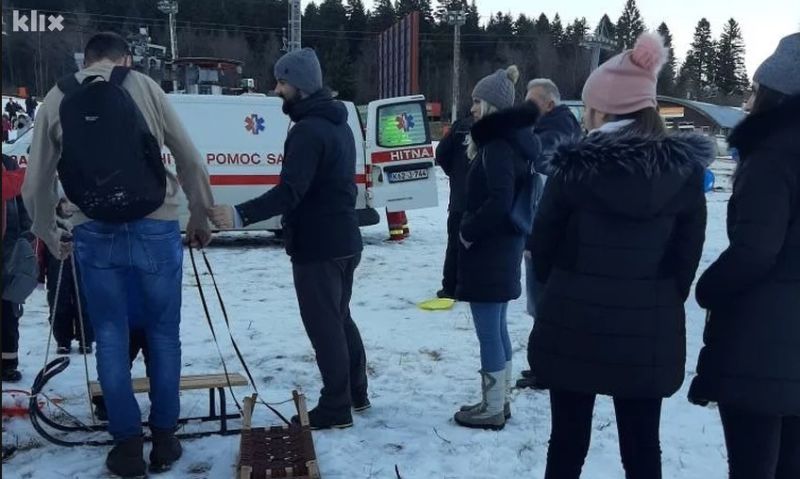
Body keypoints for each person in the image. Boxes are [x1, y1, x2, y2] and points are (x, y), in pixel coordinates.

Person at [22, 32, 214, 478]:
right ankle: (165, 439)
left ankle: (127, 446)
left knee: (109, 335)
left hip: (94, 231)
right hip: (156, 224)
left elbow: (35, 185)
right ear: (124, 57)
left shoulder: (57, 97)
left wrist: (51, 236)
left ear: (84, 60)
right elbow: (190, 158)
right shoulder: (144, 86)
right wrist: (200, 218)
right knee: (164, 335)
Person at [529, 32, 713, 479]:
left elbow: (543, 244)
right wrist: (658, 294)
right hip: (647, 327)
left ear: (600, 108)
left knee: (567, 442)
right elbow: (686, 256)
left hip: (574, 323)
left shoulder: (573, 169)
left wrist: (567, 287)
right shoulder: (684, 173)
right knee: (642, 444)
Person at [208, 48, 368, 431]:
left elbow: (290, 191)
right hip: (344, 238)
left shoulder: (309, 131)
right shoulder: (337, 124)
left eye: (282, 82)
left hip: (320, 244)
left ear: (300, 85)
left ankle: (336, 406)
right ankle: (356, 393)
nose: (276, 89)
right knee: (340, 318)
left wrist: (239, 214)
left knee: (324, 325)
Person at [689, 32, 800, 479]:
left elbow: (755, 250)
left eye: (755, 89)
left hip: (763, 341)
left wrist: (708, 288)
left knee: (753, 464)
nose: (749, 98)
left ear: (776, 93)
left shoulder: (773, 156)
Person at [452, 65, 541, 431]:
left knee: (489, 330)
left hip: (490, 251)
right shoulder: (513, 142)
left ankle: (492, 407)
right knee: (498, 327)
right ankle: (497, 400)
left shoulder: (498, 146)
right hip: (504, 248)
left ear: (491, 105)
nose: (472, 108)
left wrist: (468, 231)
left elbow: (500, 198)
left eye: (476, 101)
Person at [516, 78, 582, 391]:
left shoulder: (556, 132)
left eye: (532, 102)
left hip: (545, 235)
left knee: (543, 306)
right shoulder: (554, 126)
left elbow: (545, 165)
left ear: (549, 105)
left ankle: (547, 369)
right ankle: (544, 365)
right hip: (543, 231)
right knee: (541, 306)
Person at [37, 199, 94, 355]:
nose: (68, 206)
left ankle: (86, 338)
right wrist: (40, 275)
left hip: (83, 267)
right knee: (58, 301)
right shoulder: (51, 223)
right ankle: (63, 340)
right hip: (57, 266)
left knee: (85, 301)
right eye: (64, 202)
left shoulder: (84, 222)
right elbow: (41, 249)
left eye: (71, 202)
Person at [435, 111, 473, 299]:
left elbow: (441, 153)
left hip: (460, 198)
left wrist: (456, 174)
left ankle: (450, 286)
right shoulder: (499, 127)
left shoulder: (460, 127)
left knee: (455, 244)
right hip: (481, 200)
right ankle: (467, 285)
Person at [1, 154, 32, 383]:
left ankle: (8, 363)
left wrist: (25, 232)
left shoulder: (8, 163)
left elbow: (21, 201)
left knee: (8, 307)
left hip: (8, 250)